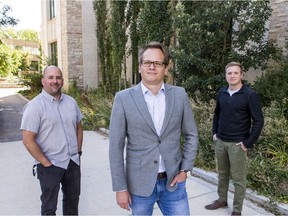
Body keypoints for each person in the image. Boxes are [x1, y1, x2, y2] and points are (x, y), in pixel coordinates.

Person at [109, 41, 199, 215]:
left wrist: (185, 170)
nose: (152, 67)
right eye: (147, 62)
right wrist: (120, 187)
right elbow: (115, 147)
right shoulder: (123, 99)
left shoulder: (179, 95)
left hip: (173, 183)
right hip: (139, 186)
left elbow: (191, 135)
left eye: (158, 63)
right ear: (140, 66)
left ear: (165, 68)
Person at [21, 65, 83, 215]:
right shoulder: (34, 107)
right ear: (43, 81)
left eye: (58, 77)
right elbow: (28, 139)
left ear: (62, 80)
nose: (55, 81)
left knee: (72, 202)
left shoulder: (71, 102)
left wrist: (78, 152)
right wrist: (45, 163)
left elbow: (78, 127)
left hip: (72, 162)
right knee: (49, 208)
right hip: (50, 165)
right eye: (51, 77)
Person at [204, 62, 264, 216]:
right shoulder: (222, 92)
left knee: (238, 179)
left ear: (241, 75)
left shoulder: (249, 95)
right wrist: (214, 132)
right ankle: (222, 200)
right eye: (229, 73)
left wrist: (247, 143)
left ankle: (237, 210)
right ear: (226, 75)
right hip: (221, 141)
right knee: (222, 174)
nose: (232, 76)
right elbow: (217, 113)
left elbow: (258, 121)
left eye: (235, 73)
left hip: (238, 144)